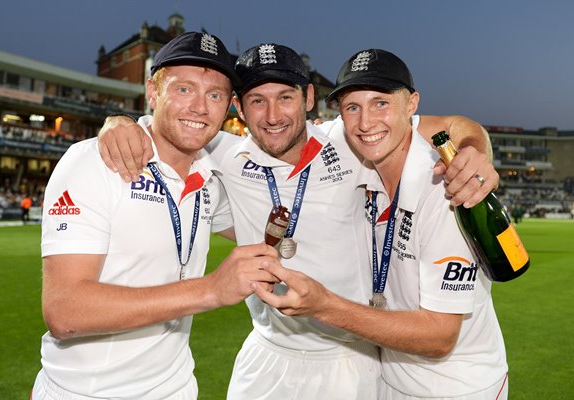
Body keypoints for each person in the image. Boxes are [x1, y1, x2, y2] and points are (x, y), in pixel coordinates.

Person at [97, 43, 499, 399]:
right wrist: (120, 123)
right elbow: (170, 127)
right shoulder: (223, 153)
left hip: (351, 356)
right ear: (238, 106)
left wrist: (473, 149)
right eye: (256, 100)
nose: (273, 116)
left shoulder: (351, 139)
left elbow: (453, 126)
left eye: (286, 97)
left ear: (308, 98)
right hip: (267, 357)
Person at [31, 32, 280, 400]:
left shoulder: (210, 177)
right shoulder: (93, 161)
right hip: (87, 392)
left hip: (177, 387)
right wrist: (210, 290)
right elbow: (65, 312)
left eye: (215, 95)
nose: (200, 107)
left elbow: (269, 228)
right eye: (183, 89)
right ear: (152, 91)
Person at [252, 49, 508, 399]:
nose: (366, 123)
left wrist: (324, 305)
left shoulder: (446, 190)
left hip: (457, 387)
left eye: (380, 103)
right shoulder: (350, 146)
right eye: (352, 107)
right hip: (387, 379)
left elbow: (439, 336)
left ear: (411, 105)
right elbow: (275, 136)